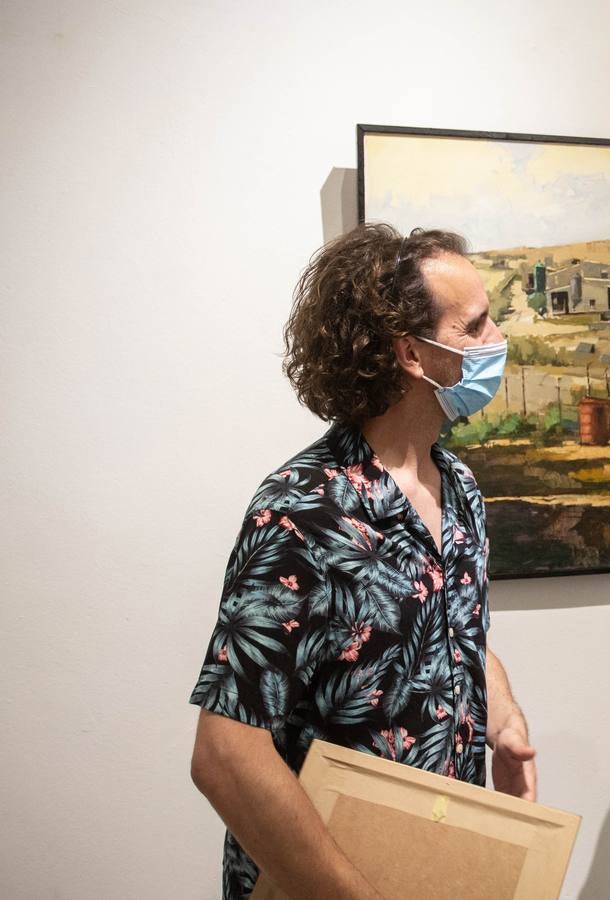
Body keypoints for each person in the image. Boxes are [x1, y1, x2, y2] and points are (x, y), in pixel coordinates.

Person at [189, 224, 535, 900]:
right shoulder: (304, 511)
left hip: (436, 867)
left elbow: (452, 632)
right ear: (412, 353)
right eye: (476, 324)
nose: (498, 338)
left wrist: (506, 712)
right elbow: (225, 755)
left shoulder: (458, 487)